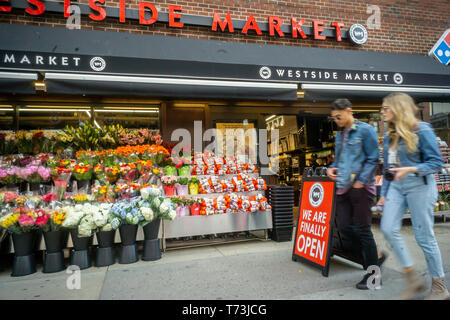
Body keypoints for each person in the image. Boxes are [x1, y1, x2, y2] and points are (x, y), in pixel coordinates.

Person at [377, 92, 449, 300]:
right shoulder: (390, 135)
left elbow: (436, 162)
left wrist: (409, 169)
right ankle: (413, 279)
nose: (382, 112)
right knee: (388, 228)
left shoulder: (422, 129)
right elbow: (388, 169)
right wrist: (383, 195)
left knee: (424, 237)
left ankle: (439, 286)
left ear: (398, 108)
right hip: (397, 187)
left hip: (420, 186)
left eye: (385, 108)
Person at [326, 98, 387, 290]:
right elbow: (339, 160)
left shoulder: (365, 130)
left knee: (363, 229)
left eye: (338, 116)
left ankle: (373, 277)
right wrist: (331, 168)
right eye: (334, 117)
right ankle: (375, 257)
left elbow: (373, 158)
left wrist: (361, 180)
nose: (336, 120)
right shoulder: (339, 135)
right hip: (343, 187)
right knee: (344, 227)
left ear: (349, 111)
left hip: (361, 188)